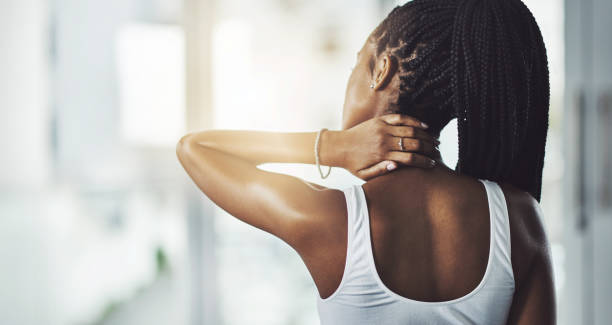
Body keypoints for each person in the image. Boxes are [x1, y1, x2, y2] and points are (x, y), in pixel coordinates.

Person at [176, 0, 556, 323]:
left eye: (355, 66)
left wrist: (331, 147)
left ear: (381, 70)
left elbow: (195, 149)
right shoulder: (518, 219)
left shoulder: (331, 219)